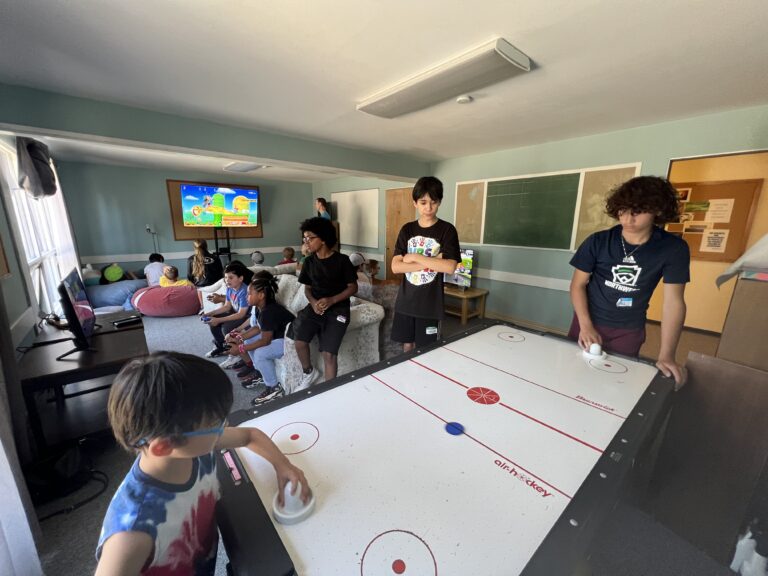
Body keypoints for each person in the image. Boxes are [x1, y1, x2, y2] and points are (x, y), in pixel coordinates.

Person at [94, 352, 309, 576]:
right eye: (215, 423)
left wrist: (282, 465)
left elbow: (250, 435)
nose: (223, 426)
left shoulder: (190, 448)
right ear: (163, 446)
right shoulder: (133, 531)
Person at [569, 176, 690, 387]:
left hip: (628, 328)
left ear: (658, 210)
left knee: (614, 383)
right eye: (623, 211)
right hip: (587, 320)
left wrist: (667, 354)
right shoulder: (598, 241)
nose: (627, 219)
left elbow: (674, 302)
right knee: (575, 375)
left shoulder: (673, 249)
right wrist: (585, 325)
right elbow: (577, 285)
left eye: (637, 212)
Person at [391, 176, 460, 353]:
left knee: (427, 351)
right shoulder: (407, 229)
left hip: (430, 305)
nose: (428, 207)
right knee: (407, 346)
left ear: (440, 202)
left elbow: (450, 267)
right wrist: (435, 261)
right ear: (415, 203)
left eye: (433, 202)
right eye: (423, 202)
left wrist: (413, 256)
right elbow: (396, 266)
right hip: (405, 302)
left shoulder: (447, 230)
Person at [294, 217, 357, 388]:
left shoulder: (342, 261)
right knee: (299, 342)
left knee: (328, 354)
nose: (306, 242)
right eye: (304, 238)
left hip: (338, 310)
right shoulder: (308, 262)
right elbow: (307, 289)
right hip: (315, 307)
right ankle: (309, 372)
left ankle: (329, 391)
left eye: (310, 238)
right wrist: (314, 303)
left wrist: (332, 300)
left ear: (322, 239)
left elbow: (353, 287)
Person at [224, 273, 295, 405]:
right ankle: (261, 372)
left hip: (289, 341)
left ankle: (274, 388)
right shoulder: (261, 308)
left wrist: (239, 348)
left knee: (261, 353)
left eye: (249, 294)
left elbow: (264, 341)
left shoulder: (269, 312)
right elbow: (258, 328)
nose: (246, 296)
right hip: (277, 337)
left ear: (261, 296)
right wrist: (240, 338)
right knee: (248, 341)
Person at [202, 262, 251, 358]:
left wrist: (219, 320)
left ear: (240, 278)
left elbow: (241, 314)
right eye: (226, 277)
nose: (227, 280)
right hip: (237, 313)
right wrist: (210, 313)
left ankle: (233, 354)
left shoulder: (244, 291)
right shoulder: (230, 288)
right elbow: (227, 307)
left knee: (226, 328)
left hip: (246, 317)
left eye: (231, 277)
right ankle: (220, 346)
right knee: (213, 319)